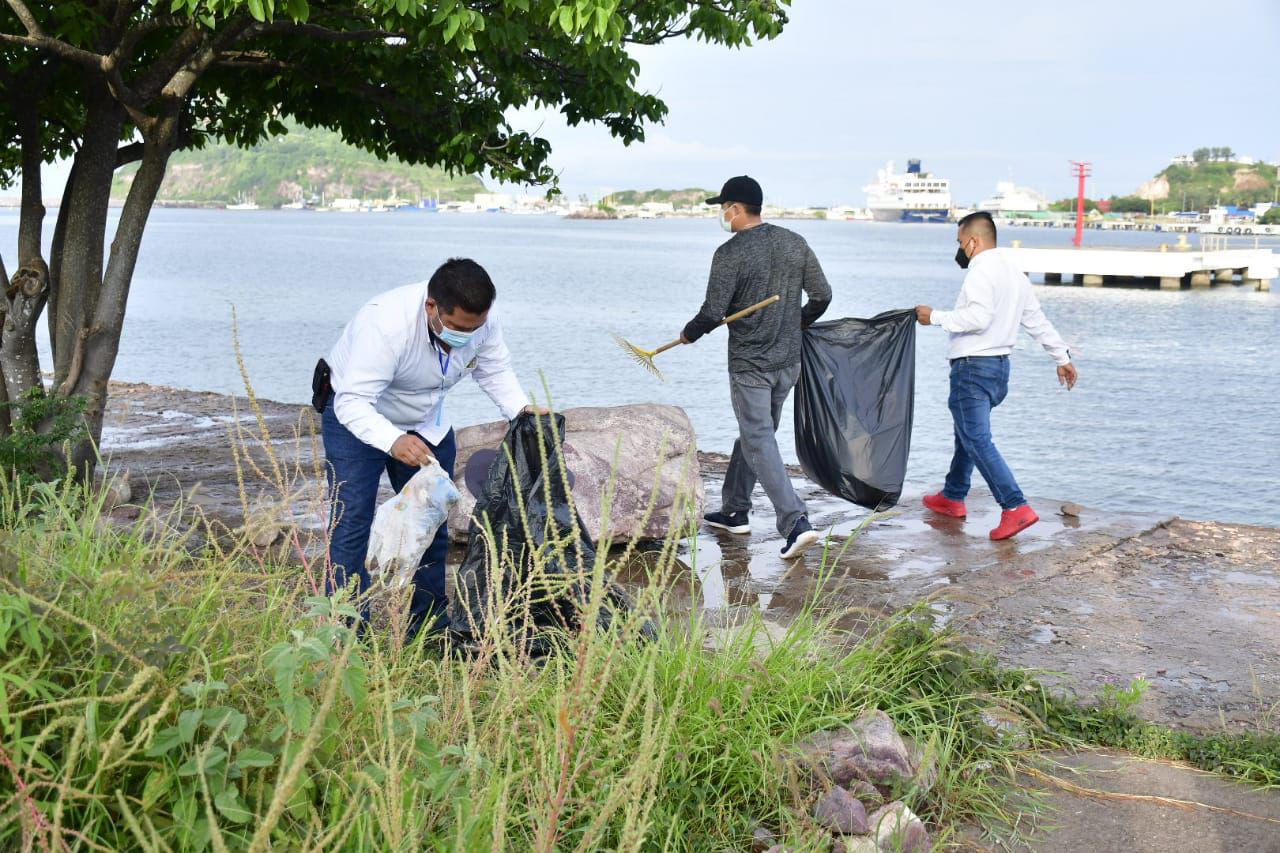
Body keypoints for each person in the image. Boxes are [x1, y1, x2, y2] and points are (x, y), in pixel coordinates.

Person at [320, 258, 532, 637]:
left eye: (475, 328)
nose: (466, 335)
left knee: (433, 522)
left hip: (425, 420)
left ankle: (429, 628)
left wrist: (523, 410)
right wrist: (392, 440)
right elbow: (351, 402)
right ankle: (345, 632)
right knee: (351, 523)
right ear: (431, 307)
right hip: (358, 416)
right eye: (457, 328)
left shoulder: (482, 320)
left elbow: (494, 369)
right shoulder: (385, 325)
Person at [681, 175, 832, 559]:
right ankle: (734, 509)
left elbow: (714, 312)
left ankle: (795, 521)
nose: (722, 214)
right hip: (787, 363)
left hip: (751, 364)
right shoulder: (794, 243)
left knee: (759, 438)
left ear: (735, 208)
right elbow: (822, 295)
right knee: (755, 435)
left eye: (723, 208)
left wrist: (689, 334)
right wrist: (797, 322)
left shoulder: (729, 253)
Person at [914, 211, 1078, 540]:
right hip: (999, 368)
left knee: (976, 439)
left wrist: (935, 317)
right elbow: (1035, 319)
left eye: (961, 242)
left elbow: (977, 317)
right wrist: (1061, 357)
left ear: (973, 242)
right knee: (967, 433)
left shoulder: (980, 271)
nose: (960, 249)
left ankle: (1015, 506)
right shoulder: (1015, 274)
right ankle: (952, 496)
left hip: (973, 367)